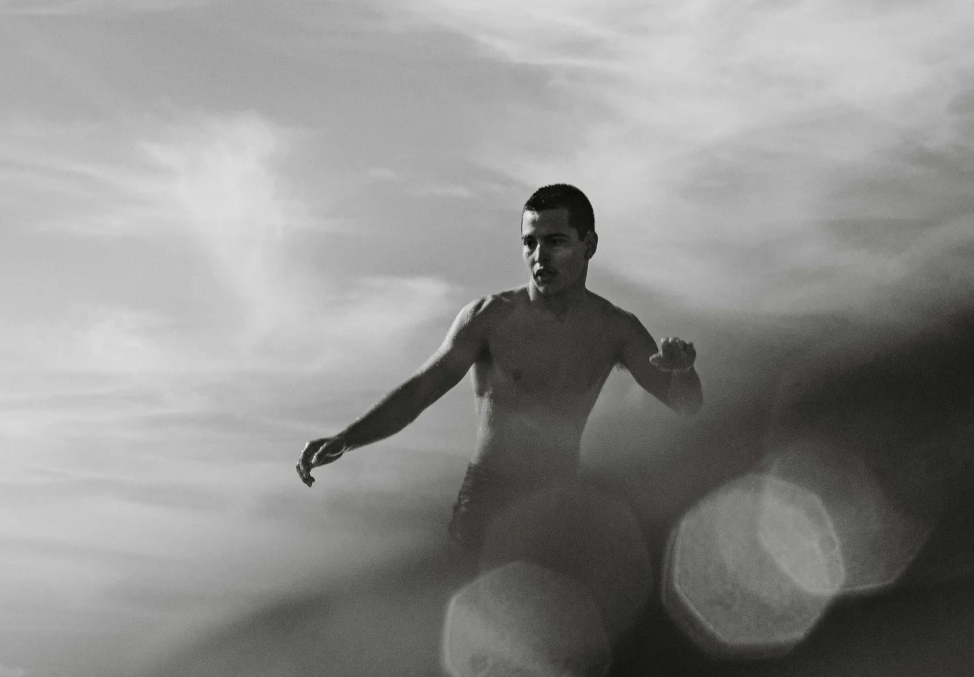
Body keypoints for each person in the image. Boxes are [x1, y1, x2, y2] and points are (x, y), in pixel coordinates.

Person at [296, 184, 702, 555]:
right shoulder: (490, 318)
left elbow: (686, 405)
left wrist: (683, 372)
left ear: (588, 244)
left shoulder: (615, 328)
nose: (539, 257)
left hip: (558, 502)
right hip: (488, 498)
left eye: (556, 241)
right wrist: (347, 439)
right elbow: (422, 390)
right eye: (530, 243)